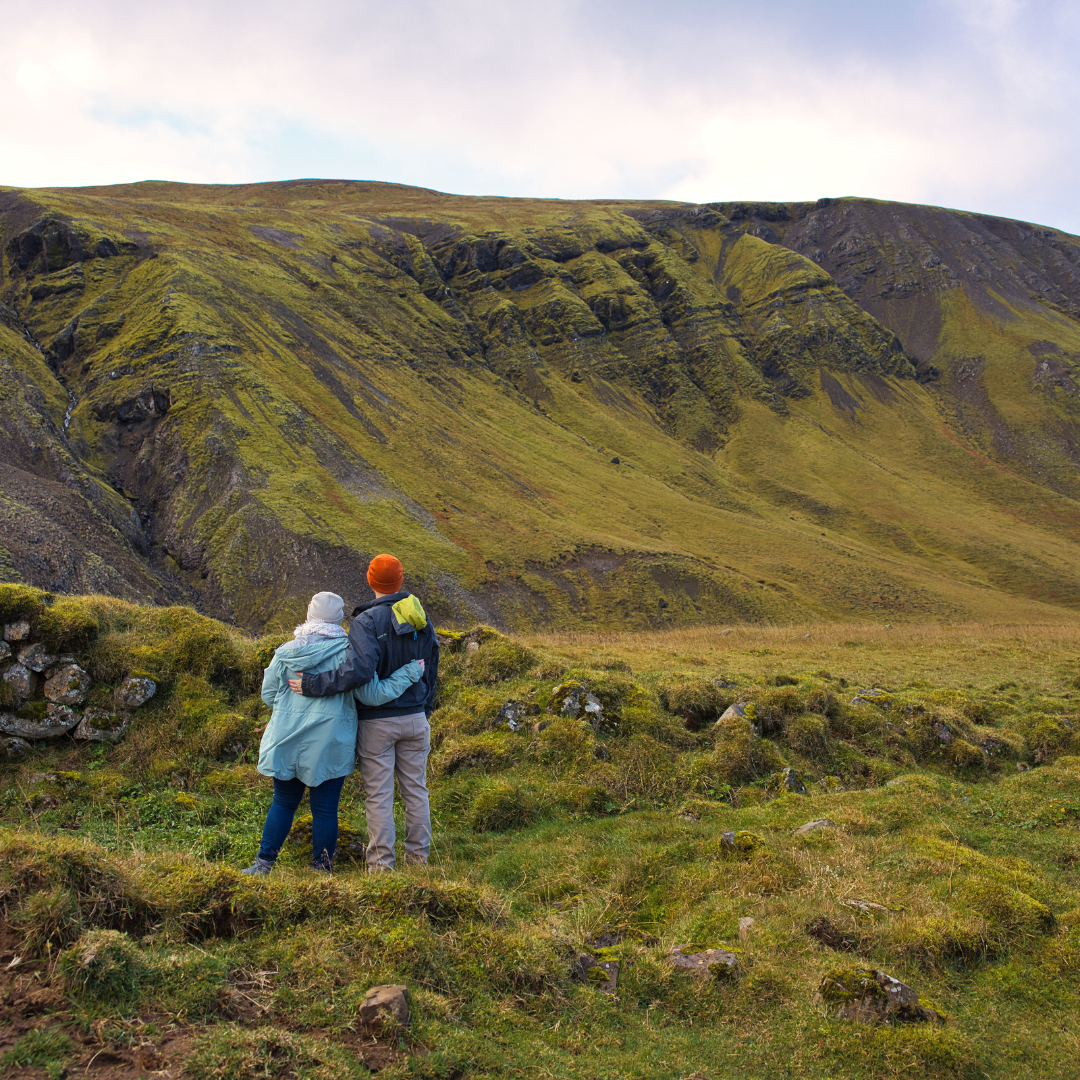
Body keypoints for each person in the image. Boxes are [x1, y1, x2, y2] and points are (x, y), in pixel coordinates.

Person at [242, 590, 424, 875]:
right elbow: (372, 695)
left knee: (283, 802)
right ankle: (321, 869)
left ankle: (263, 864)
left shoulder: (286, 651)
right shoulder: (350, 654)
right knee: (325, 808)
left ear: (309, 613)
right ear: (340, 619)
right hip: (331, 742)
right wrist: (411, 673)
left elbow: (268, 695)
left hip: (286, 737)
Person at [287, 554, 439, 871]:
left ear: (371, 581)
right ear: (399, 580)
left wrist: (315, 684)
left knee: (379, 796)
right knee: (416, 791)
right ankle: (418, 861)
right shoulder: (417, 615)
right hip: (415, 718)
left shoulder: (366, 622)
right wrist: (425, 708)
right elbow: (432, 663)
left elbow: (357, 671)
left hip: (377, 724)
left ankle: (382, 867)